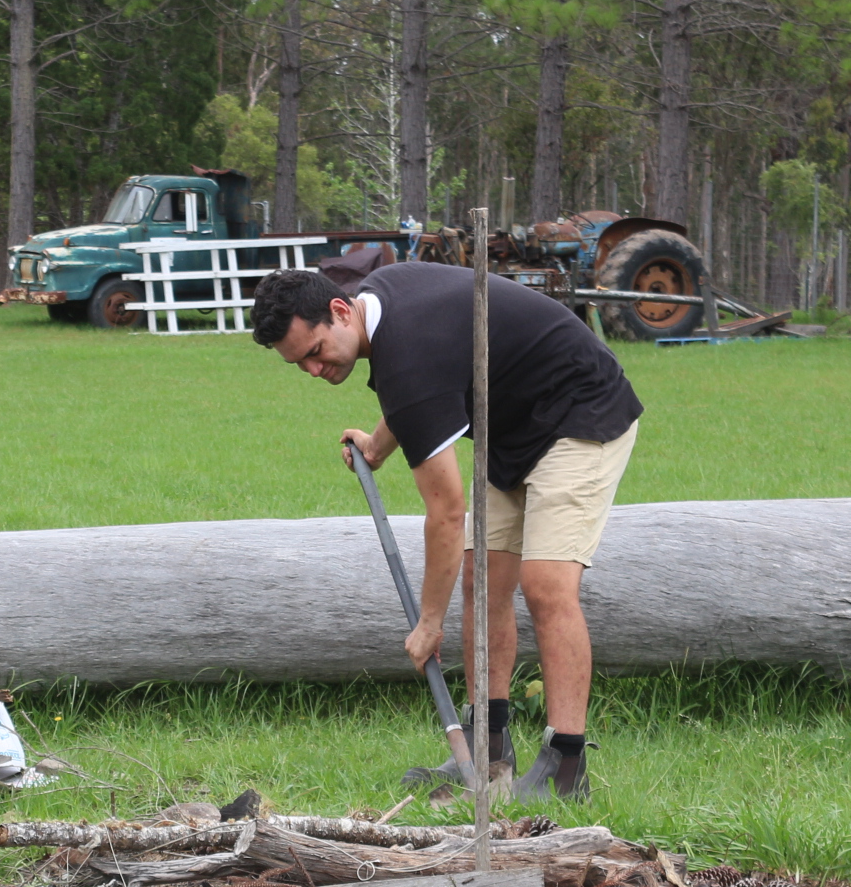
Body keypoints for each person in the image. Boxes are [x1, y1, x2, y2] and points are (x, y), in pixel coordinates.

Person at [251, 261, 644, 801]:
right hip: (510, 430)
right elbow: (424, 390)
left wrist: (429, 623)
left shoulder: (405, 353)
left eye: (315, 351)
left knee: (546, 586)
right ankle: (488, 748)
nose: (314, 370)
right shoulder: (379, 305)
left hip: (581, 409)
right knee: (482, 581)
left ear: (340, 311)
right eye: (299, 364)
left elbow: (446, 513)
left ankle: (566, 769)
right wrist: (378, 446)